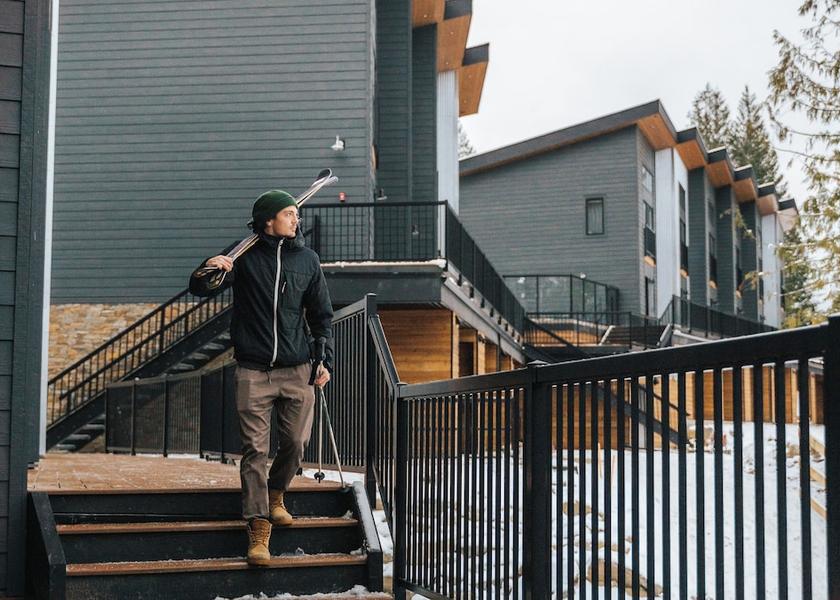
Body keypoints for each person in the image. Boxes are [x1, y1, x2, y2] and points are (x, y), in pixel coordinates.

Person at [189, 190, 334, 566]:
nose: (296, 220)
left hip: (298, 367)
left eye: (296, 214)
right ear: (268, 219)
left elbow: (321, 317)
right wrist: (209, 266)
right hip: (253, 370)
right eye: (289, 214)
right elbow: (201, 288)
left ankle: (277, 493)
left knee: (297, 442)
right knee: (255, 450)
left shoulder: (307, 260)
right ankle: (258, 527)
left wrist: (324, 360)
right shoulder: (244, 256)